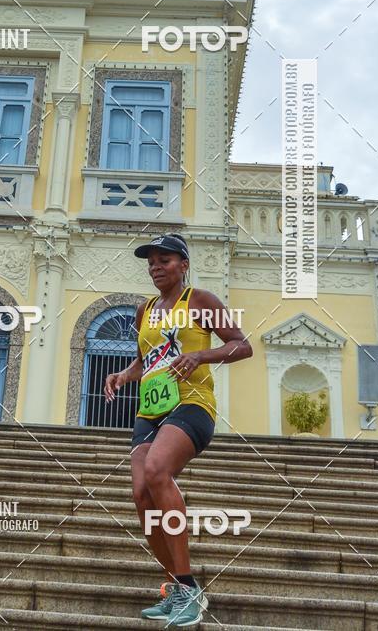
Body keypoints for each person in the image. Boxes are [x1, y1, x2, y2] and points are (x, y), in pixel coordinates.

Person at [104, 233, 253, 627]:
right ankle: (174, 587)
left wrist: (200, 354)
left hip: (193, 405)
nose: (155, 266)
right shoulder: (145, 310)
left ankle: (188, 587)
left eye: (165, 260)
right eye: (151, 261)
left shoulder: (200, 301)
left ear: (183, 265)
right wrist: (122, 375)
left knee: (157, 471)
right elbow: (145, 361)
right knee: (140, 493)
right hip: (150, 411)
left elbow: (242, 345)